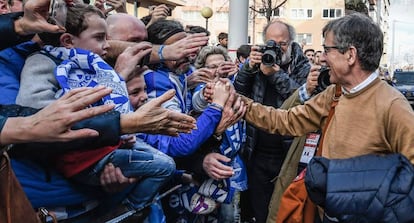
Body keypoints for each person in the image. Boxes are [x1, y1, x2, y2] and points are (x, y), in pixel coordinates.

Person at [240, 13, 414, 221]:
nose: (321, 58)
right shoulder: (335, 93)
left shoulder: (394, 107)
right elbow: (286, 121)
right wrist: (239, 103)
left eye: (326, 50)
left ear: (350, 54)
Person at [233, 19, 310, 223]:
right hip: (257, 150)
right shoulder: (257, 63)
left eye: (282, 43)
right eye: (271, 42)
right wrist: (248, 68)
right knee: (259, 210)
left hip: (288, 153)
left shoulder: (303, 66)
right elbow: (239, 93)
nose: (276, 48)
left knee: (284, 209)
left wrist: (275, 75)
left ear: (292, 43)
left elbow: (299, 100)